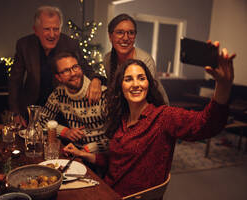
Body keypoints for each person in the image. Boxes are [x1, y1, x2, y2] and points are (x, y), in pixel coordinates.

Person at [63, 42, 236, 197]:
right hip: (108, 189)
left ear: (148, 84)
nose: (136, 84)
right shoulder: (121, 119)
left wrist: (223, 85)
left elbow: (207, 124)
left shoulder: (163, 117)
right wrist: (83, 154)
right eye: (129, 79)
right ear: (120, 87)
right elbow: (116, 161)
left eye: (141, 78)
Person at [8, 6, 104, 127]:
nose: (52, 34)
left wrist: (96, 80)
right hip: (32, 108)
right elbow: (15, 81)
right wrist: (16, 113)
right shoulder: (24, 45)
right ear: (36, 30)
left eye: (56, 29)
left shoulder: (70, 44)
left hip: (63, 111)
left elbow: (85, 68)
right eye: (47, 29)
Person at [38, 52, 108, 153]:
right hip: (74, 151)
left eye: (75, 67)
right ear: (58, 77)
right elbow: (41, 120)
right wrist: (65, 132)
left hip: (100, 156)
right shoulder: (59, 93)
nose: (73, 73)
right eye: (66, 70)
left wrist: (88, 149)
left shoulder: (102, 93)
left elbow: (117, 136)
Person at [104, 13, 169, 104]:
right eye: (120, 32)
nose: (126, 38)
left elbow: (148, 96)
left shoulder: (144, 60)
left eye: (131, 33)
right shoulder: (108, 59)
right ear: (110, 36)